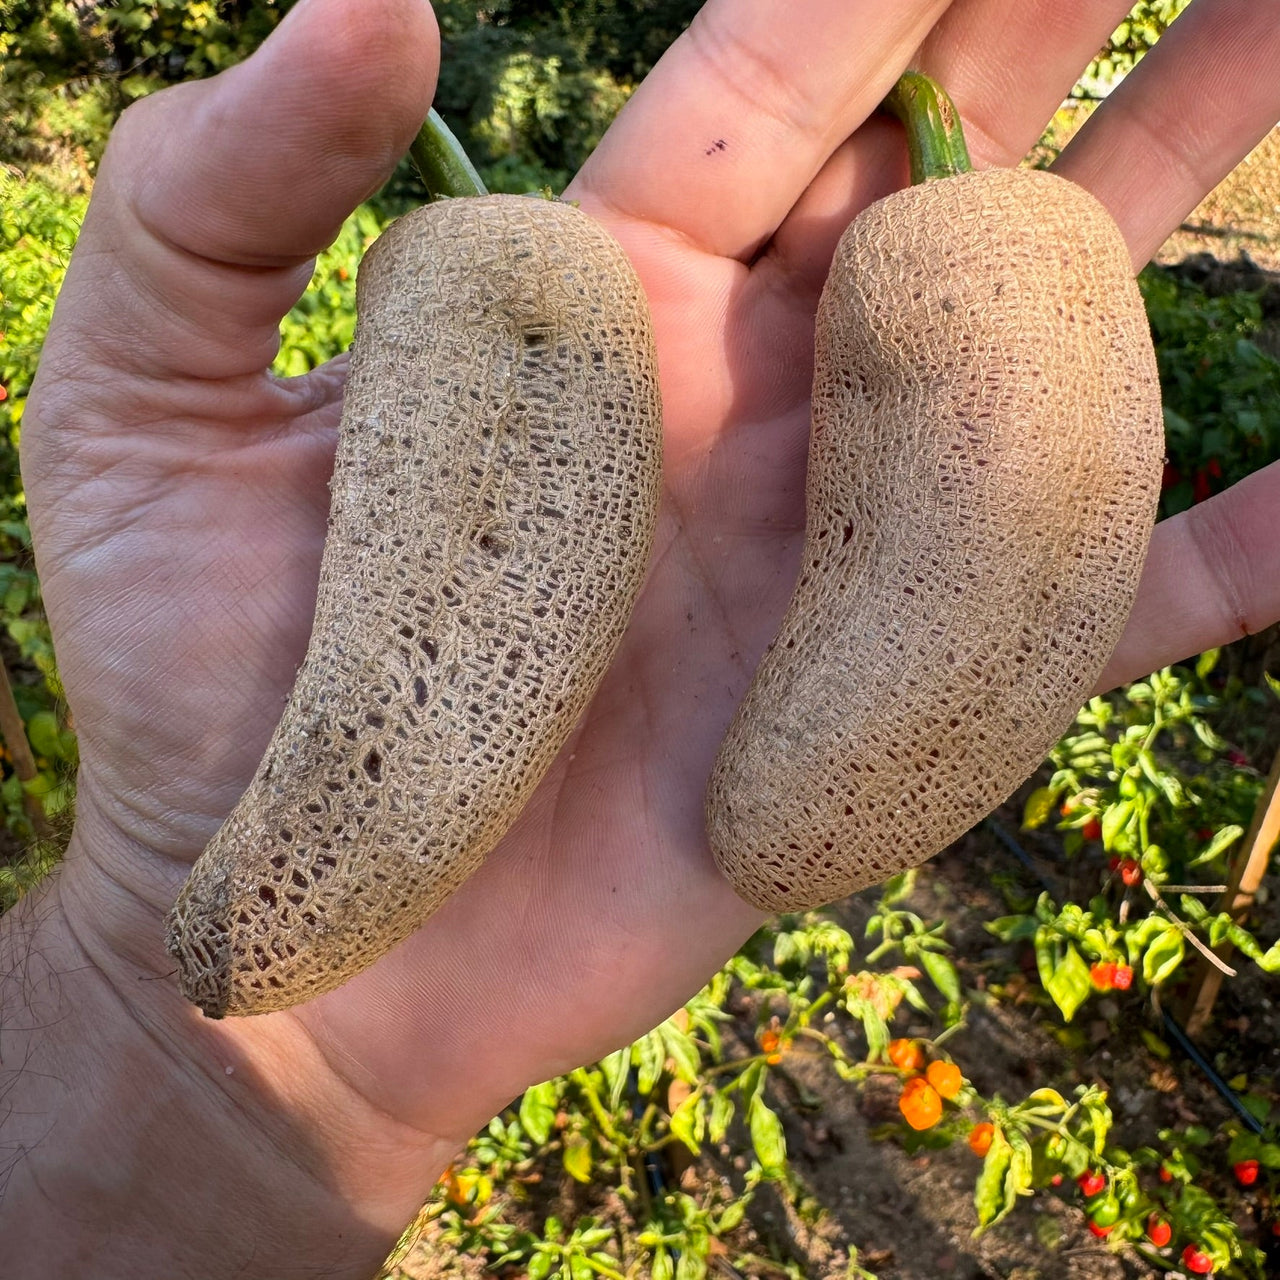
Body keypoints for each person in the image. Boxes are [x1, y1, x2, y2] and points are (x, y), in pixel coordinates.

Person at [4, 0, 1279, 1273]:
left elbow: (969, 627)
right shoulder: (515, 294)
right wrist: (157, 1031)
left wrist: (156, 1042)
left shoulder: (990, 253)